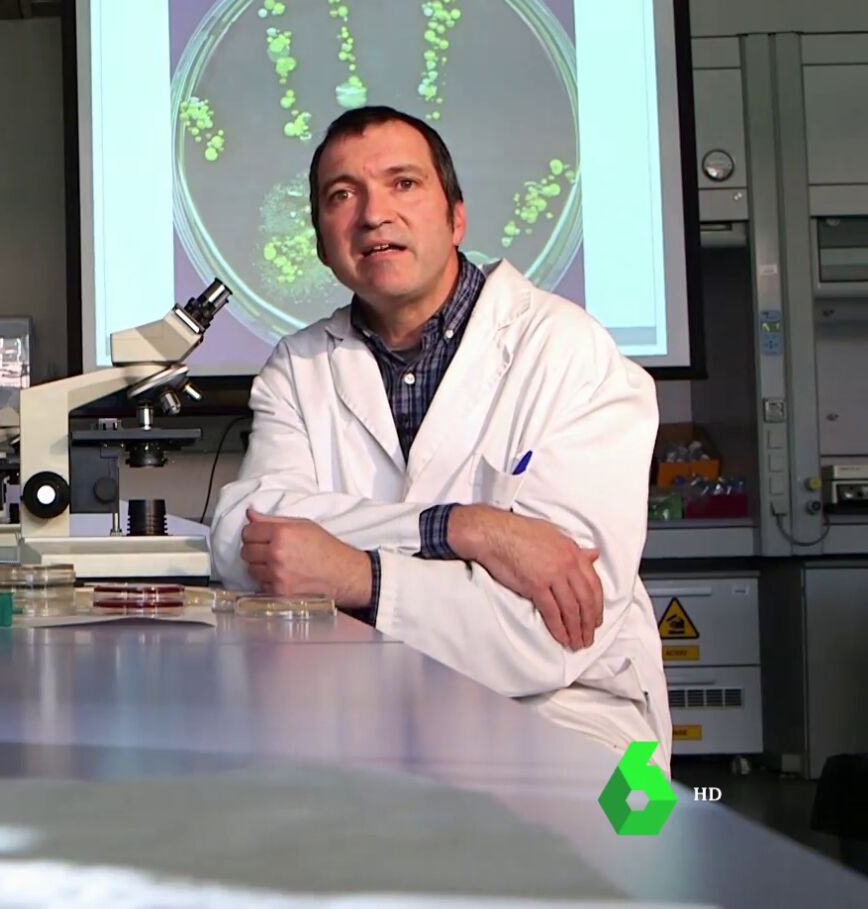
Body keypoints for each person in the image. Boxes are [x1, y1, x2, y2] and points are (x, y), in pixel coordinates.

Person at [207, 105, 671, 770]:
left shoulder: (569, 351)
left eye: (403, 183)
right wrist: (465, 528)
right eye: (342, 195)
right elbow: (243, 538)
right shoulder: (299, 365)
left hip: (571, 715)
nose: (374, 214)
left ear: (457, 219)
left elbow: (551, 632)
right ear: (322, 243)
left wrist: (356, 574)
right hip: (362, 708)